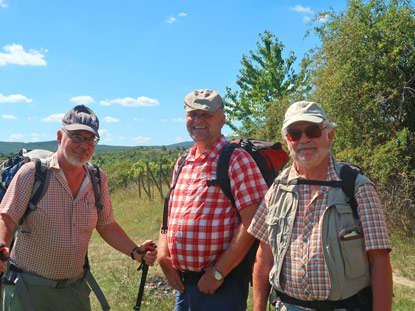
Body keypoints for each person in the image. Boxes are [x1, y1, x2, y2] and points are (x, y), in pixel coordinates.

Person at [0, 105, 157, 311]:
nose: (84, 145)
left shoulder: (97, 179)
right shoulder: (33, 173)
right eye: (76, 137)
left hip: (75, 291)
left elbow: (107, 224)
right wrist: (2, 245)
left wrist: (135, 251)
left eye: (90, 139)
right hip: (28, 290)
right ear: (59, 136)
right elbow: (7, 216)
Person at [248, 101, 393, 311]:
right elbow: (264, 255)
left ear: (330, 135)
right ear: (286, 141)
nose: (304, 139)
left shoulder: (357, 188)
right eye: (294, 134)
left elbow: (379, 260)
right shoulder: (277, 189)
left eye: (313, 130)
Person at [157, 89, 269, 311]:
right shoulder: (182, 162)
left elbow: (255, 221)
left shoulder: (236, 159)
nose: (198, 120)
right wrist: (163, 256)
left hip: (221, 287)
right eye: (192, 114)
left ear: (222, 119)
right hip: (183, 286)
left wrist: (219, 271)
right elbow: (169, 218)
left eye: (206, 114)